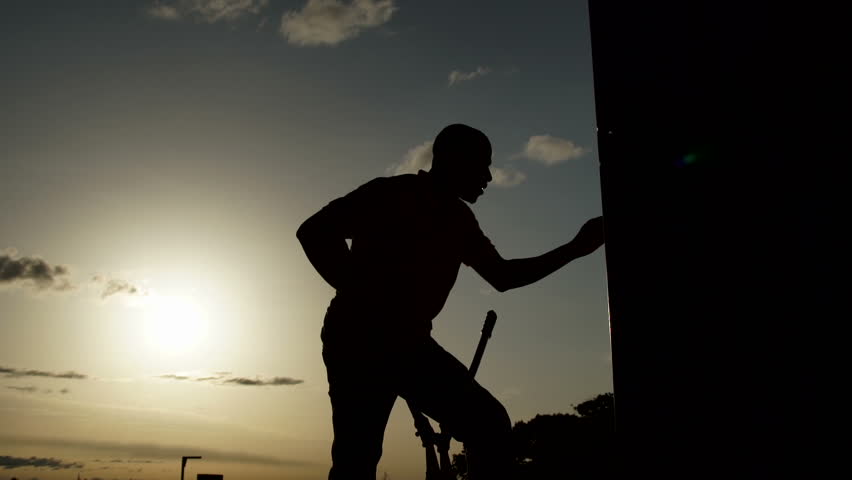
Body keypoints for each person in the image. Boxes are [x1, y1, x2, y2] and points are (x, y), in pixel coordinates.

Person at [297, 123, 605, 479]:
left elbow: (502, 277)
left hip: (410, 344)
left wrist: (575, 249)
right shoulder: (390, 194)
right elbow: (314, 231)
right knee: (358, 456)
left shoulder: (460, 220)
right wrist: (362, 296)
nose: (489, 176)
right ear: (450, 160)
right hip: (358, 340)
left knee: (488, 424)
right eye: (481, 165)